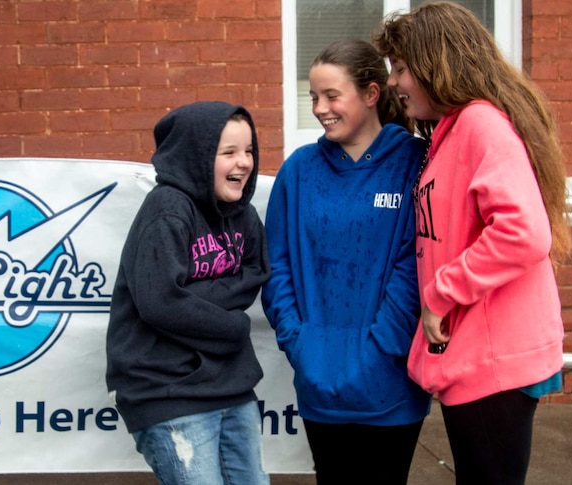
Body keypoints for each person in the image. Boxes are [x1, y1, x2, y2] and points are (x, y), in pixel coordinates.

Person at [373, 3, 572, 484]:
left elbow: (524, 232)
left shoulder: (480, 125)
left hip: (494, 358)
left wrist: (442, 293)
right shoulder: (454, 130)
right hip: (478, 354)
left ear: (434, 63)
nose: (396, 83)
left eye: (401, 69)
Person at [261, 39, 431, 484]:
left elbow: (416, 265)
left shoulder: (415, 164)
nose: (320, 108)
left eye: (332, 95)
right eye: (313, 97)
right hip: (318, 381)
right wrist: (301, 344)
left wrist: (379, 352)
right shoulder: (298, 170)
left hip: (391, 385)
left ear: (372, 94)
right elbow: (276, 266)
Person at [105, 101, 271, 485]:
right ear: (195, 156)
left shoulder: (243, 213)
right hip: (167, 391)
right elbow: (161, 302)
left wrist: (193, 294)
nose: (244, 162)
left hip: (232, 386)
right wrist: (232, 327)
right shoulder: (167, 210)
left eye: (248, 150)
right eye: (228, 152)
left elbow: (256, 272)